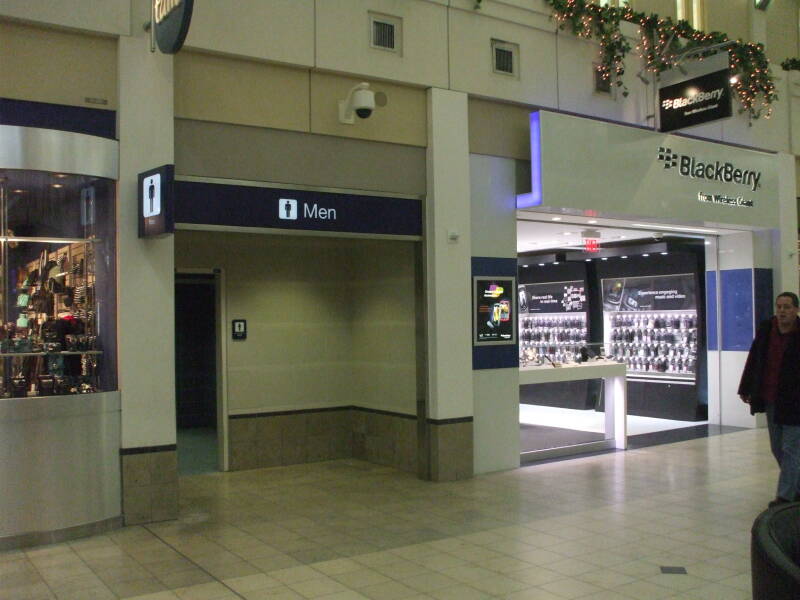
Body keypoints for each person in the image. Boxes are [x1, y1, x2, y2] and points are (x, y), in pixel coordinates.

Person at [738, 292, 800, 506]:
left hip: (794, 401)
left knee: (791, 448)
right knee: (777, 447)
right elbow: (754, 358)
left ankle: (784, 496)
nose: (782, 311)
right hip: (772, 398)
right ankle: (795, 486)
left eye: (787, 307)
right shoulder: (766, 330)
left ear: (796, 310)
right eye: (779, 306)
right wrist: (746, 387)